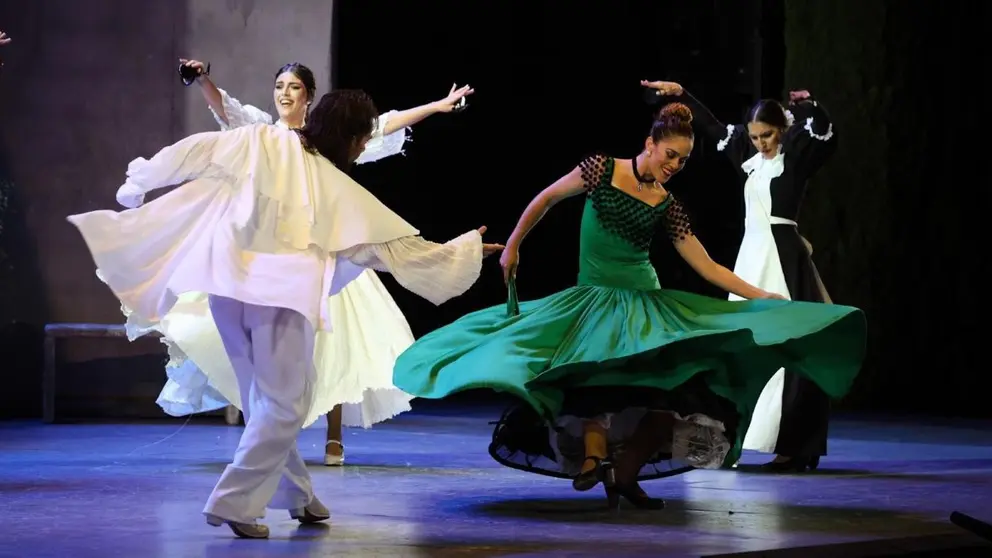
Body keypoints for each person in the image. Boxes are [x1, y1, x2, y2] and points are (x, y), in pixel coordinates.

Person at [68, 89, 503, 538]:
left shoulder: (260, 140)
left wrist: (140, 181)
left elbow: (194, 151)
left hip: (228, 288)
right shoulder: (332, 182)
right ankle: (234, 502)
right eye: (360, 138)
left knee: (266, 400)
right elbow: (385, 247)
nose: (360, 148)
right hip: (279, 297)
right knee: (282, 404)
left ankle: (297, 494)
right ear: (349, 136)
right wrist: (463, 251)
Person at [391, 102, 865, 509]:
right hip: (593, 300)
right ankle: (596, 459)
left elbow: (706, 265)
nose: (675, 165)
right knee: (592, 380)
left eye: (683, 160)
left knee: (666, 396)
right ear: (650, 144)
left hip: (643, 305)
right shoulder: (602, 169)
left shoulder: (667, 204)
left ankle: (623, 475)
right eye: (670, 155)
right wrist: (515, 243)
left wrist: (761, 296)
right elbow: (548, 198)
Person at [139, 59, 472, 467]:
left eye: (294, 87)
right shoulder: (264, 134)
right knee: (266, 354)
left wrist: (437, 106)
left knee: (334, 343)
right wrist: (203, 79)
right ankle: (267, 443)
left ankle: (328, 440)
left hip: (326, 251)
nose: (284, 93)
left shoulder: (325, 140)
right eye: (280, 85)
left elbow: (381, 126)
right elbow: (228, 111)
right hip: (271, 255)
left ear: (309, 96)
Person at [642, 79, 838, 473]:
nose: (761, 143)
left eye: (767, 135)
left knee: (792, 349)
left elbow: (823, 133)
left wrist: (811, 105)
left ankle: (796, 447)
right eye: (755, 136)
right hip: (752, 259)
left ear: (781, 130)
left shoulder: (794, 156)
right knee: (737, 349)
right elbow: (713, 127)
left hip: (782, 261)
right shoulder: (749, 158)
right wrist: (682, 94)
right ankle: (715, 447)